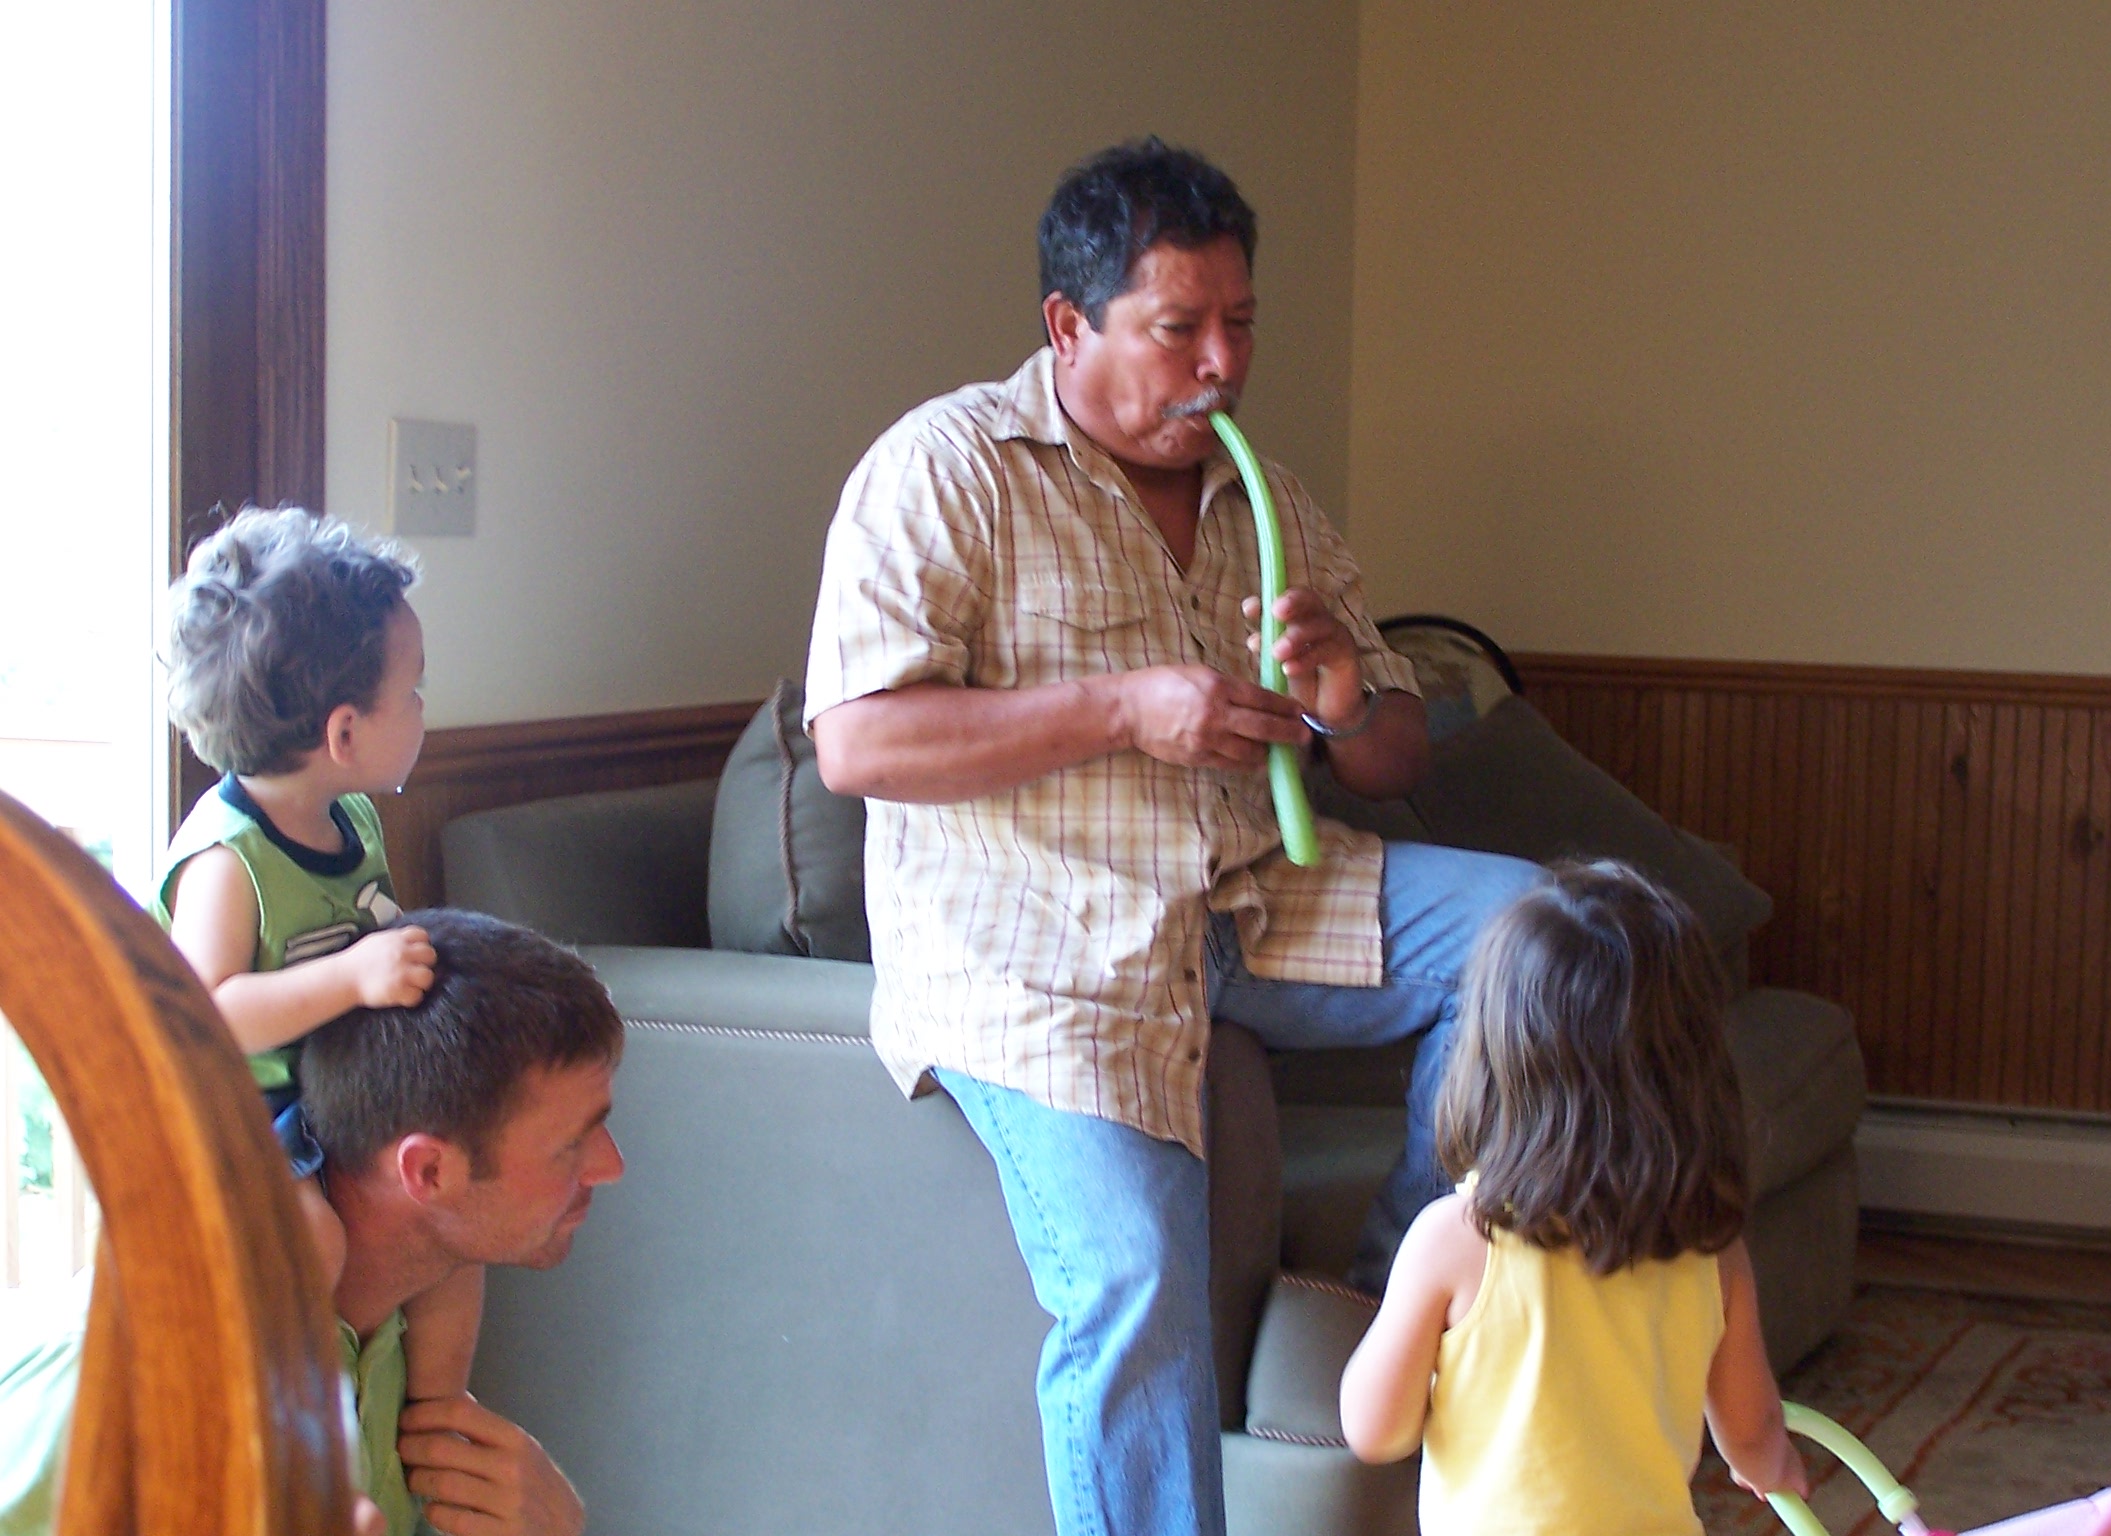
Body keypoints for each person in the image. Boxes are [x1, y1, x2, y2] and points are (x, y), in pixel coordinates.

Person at [806, 136, 1539, 1536]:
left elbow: (1391, 758)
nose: (1222, 366)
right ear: (1068, 326)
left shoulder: (1267, 500)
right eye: (1179, 329)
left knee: (1544, 943)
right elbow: (859, 745)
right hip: (1043, 950)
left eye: (1241, 324)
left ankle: (1388, 1307)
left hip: (1251, 900)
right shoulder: (946, 469)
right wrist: (1123, 709)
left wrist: (1341, 699)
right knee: (1137, 1273)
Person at [0, 909, 623, 1536]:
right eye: (571, 1144)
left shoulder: (412, 1362)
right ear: (429, 1171)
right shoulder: (118, 1372)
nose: (612, 1166)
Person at [1338, 863, 1808, 1535]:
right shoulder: (1711, 1249)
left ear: (1494, 1060)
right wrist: (1775, 1463)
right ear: (1697, 1072)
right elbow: (1752, 1433)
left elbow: (1375, 1432)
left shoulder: (1453, 1238)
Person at [149, 507, 484, 1412]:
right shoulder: (229, 859)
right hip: (242, 1113)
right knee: (316, 1244)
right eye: (413, 690)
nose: (423, 708)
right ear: (343, 733)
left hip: (341, 1094)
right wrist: (350, 978)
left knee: (454, 1225)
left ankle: (434, 1420)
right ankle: (292, 1426)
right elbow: (205, 1015)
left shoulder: (354, 818)